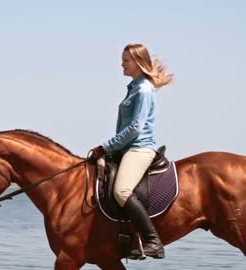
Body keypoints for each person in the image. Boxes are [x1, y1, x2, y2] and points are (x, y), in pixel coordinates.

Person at [90, 43, 172, 259]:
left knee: (122, 191)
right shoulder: (135, 87)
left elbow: (135, 127)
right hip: (126, 149)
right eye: (123, 60)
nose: (121, 64)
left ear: (137, 62)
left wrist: (106, 147)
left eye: (126, 60)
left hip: (139, 149)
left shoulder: (144, 89)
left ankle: (153, 241)